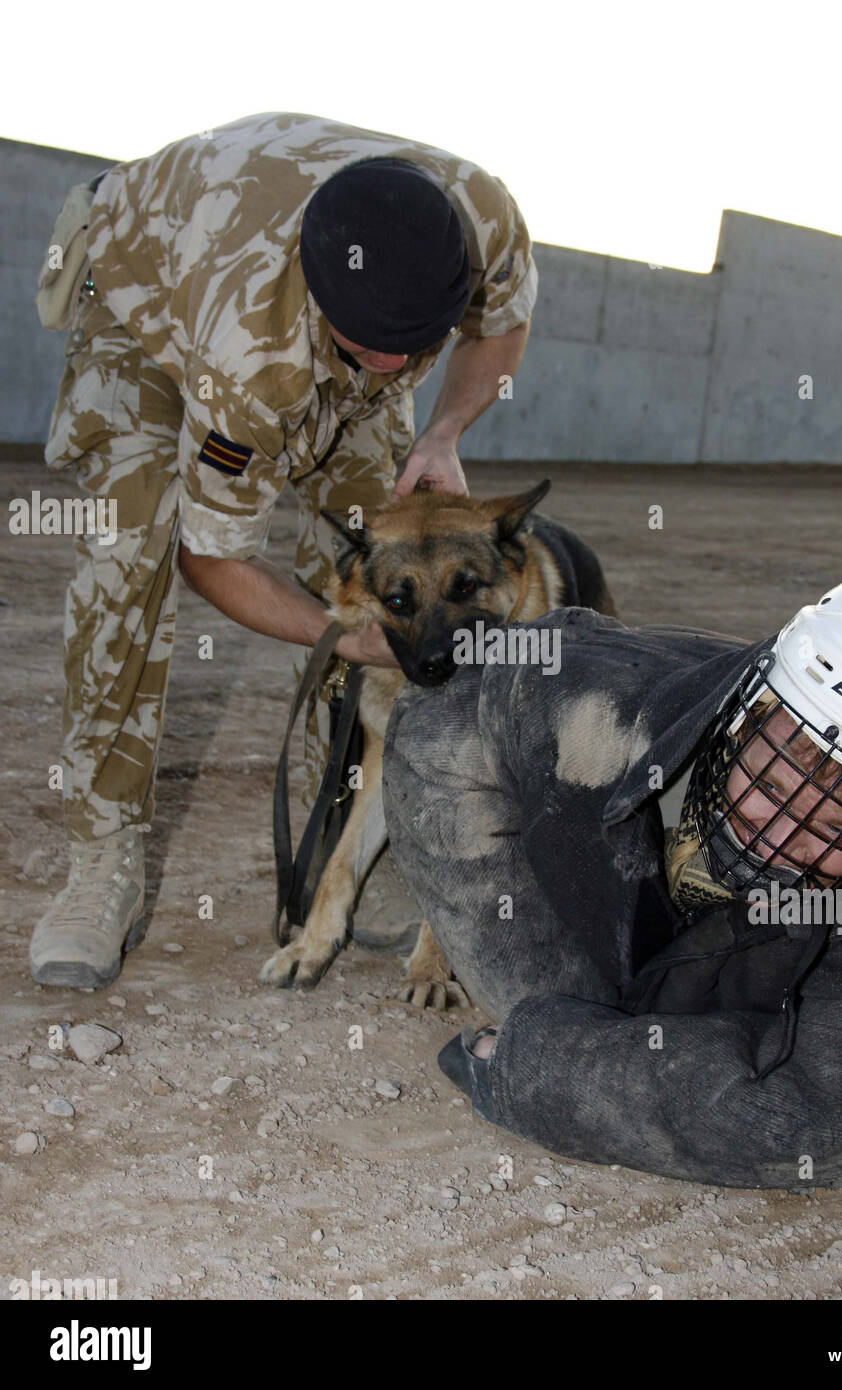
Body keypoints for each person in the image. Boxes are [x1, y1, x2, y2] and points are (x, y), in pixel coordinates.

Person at [30, 112, 535, 988]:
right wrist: (336, 636)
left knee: (376, 562)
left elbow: (501, 329)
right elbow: (211, 558)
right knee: (133, 546)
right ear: (324, 309)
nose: (389, 369)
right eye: (366, 351)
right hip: (142, 299)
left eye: (410, 350)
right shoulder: (249, 359)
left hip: (293, 290)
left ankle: (350, 833)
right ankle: (101, 858)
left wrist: (444, 429)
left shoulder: (481, 220)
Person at [382, 561, 842, 1187]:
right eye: (767, 782)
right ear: (744, 710)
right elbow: (437, 723)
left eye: (832, 830)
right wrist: (546, 997)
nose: (779, 836)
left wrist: (546, 1064)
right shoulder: (598, 700)